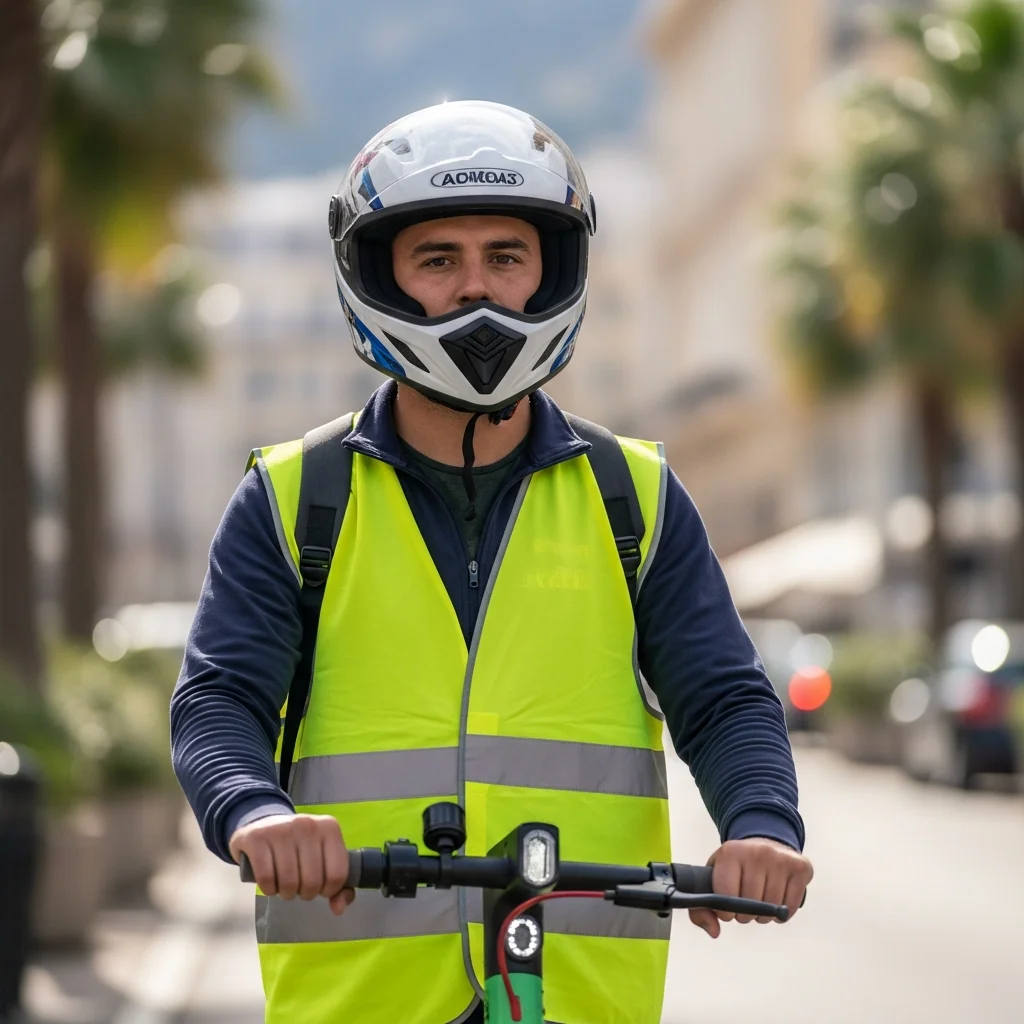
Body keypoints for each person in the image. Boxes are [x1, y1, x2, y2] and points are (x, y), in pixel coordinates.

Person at [171, 100, 812, 1024]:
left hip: (576, 997)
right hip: (365, 1001)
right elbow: (219, 698)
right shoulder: (290, 498)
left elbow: (724, 696)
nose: (477, 290)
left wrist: (760, 824)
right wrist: (253, 812)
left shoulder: (634, 496)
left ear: (551, 272)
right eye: (438, 259)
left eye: (505, 256)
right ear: (377, 276)